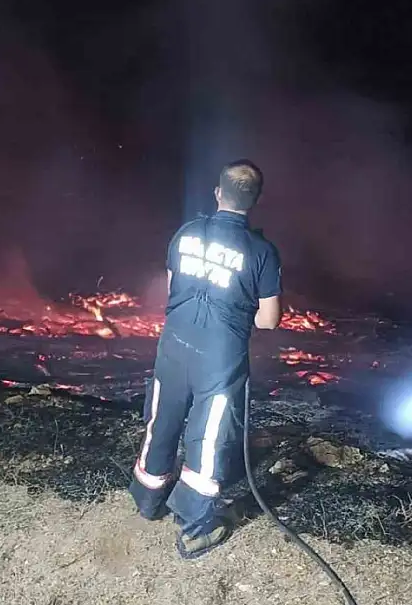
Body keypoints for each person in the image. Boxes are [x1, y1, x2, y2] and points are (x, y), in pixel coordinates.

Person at [129, 159, 282, 559]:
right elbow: (268, 321)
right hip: (219, 357)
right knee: (209, 437)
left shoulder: (186, 232)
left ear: (218, 193)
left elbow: (170, 287)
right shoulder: (262, 252)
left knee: (161, 419)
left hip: (174, 345)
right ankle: (195, 528)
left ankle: (147, 501)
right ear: (255, 201)